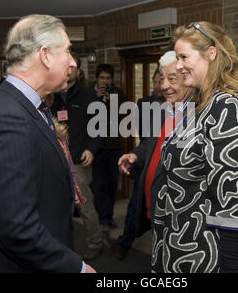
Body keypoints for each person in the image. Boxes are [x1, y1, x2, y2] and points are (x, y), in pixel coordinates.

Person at [0, 14, 95, 272]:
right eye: (68, 52)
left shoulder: (30, 106)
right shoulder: (10, 118)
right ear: (45, 55)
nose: (72, 63)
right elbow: (16, 228)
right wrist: (77, 268)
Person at [150, 22, 238, 273]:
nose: (178, 64)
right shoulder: (201, 104)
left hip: (207, 258)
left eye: (184, 56)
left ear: (211, 54)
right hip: (182, 248)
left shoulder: (231, 109)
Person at [113, 59, 181, 260]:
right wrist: (135, 155)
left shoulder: (195, 114)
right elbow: (148, 141)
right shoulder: (158, 109)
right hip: (147, 181)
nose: (163, 86)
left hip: (175, 212)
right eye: (161, 80)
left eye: (171, 79)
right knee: (135, 208)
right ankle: (126, 242)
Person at [50, 54, 105, 261]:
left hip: (78, 161)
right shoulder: (49, 94)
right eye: (64, 65)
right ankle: (57, 245)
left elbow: (100, 128)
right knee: (54, 205)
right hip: (54, 159)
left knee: (85, 205)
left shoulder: (89, 95)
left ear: (78, 71)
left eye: (72, 67)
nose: (68, 69)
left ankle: (95, 242)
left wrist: (91, 149)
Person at [91, 64, 127, 236]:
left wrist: (112, 103)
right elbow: (87, 117)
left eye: (108, 78)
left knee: (112, 184)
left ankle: (107, 216)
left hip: (114, 146)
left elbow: (124, 117)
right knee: (98, 185)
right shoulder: (90, 94)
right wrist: (96, 100)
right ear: (97, 79)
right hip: (96, 148)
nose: (105, 81)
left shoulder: (118, 94)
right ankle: (102, 217)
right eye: (102, 78)